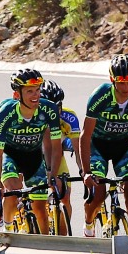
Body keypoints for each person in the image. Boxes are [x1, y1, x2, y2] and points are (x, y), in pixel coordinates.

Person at [80, 54, 128, 238]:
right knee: (98, 195)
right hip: (98, 147)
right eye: (121, 81)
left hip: (124, 147)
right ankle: (89, 221)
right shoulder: (99, 96)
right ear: (112, 79)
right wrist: (86, 171)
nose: (126, 87)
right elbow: (85, 134)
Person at [0, 68, 61, 233]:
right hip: (10, 156)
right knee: (13, 191)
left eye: (37, 90)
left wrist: (52, 173)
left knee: (41, 212)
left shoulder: (49, 109)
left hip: (34, 157)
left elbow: (56, 146)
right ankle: (7, 230)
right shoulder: (5, 113)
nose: (35, 95)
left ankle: (45, 251)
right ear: (17, 95)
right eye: (29, 91)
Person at [40, 79, 79, 235]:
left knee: (65, 197)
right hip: (33, 157)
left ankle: (63, 239)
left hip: (56, 156)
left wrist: (84, 171)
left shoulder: (69, 117)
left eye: (58, 106)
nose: (54, 112)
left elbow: (78, 149)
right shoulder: (31, 117)